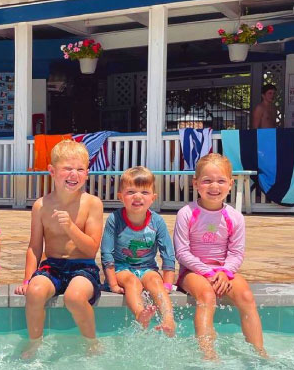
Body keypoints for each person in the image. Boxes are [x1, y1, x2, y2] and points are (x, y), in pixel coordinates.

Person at [14, 140, 104, 358]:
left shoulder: (92, 203)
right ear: (52, 171)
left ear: (87, 173)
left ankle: (92, 343)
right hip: (52, 265)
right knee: (34, 293)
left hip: (83, 267)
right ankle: (34, 343)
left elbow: (91, 249)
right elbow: (35, 247)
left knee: (74, 297)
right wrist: (27, 279)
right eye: (67, 169)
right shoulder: (41, 206)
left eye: (80, 169)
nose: (74, 174)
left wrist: (71, 227)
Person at [174, 153, 267, 359]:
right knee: (206, 296)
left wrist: (224, 272)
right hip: (193, 272)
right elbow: (181, 252)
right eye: (207, 181)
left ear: (230, 184)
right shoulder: (187, 213)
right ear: (196, 183)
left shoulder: (234, 217)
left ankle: (259, 352)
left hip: (224, 271)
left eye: (221, 181)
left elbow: (236, 252)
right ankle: (208, 354)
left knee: (246, 297)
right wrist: (208, 272)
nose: (214, 186)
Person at [100, 166, 176, 336]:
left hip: (147, 267)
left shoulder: (157, 221)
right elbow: (107, 253)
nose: (138, 196)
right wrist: (112, 283)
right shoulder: (115, 219)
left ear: (153, 198)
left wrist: (168, 284)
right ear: (121, 197)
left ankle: (169, 320)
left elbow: (168, 254)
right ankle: (140, 314)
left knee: (156, 283)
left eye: (144, 192)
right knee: (132, 282)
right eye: (131, 192)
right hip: (121, 268)